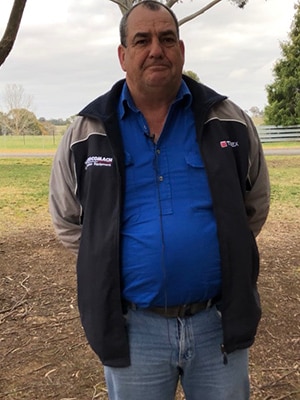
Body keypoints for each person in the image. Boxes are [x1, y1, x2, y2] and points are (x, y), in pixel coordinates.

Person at [49, 1, 270, 399]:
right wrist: (110, 255)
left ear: (181, 50)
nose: (156, 49)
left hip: (217, 322)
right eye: (142, 40)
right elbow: (68, 220)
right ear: (122, 55)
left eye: (167, 39)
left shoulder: (229, 120)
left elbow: (252, 206)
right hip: (134, 330)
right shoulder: (87, 132)